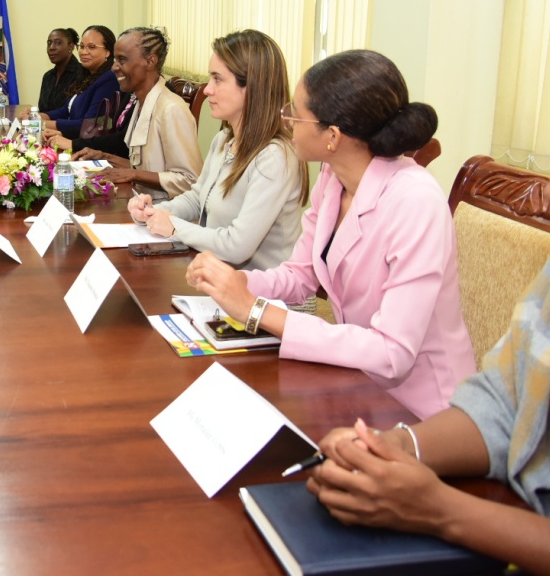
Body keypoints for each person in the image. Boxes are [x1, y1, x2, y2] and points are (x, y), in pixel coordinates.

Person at [307, 97, 550, 576]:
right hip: (512, 519)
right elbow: (504, 404)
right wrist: (393, 447)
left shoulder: (412, 195)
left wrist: (438, 510)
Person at [186, 49, 475, 419]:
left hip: (420, 409)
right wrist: (236, 281)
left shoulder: (415, 202)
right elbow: (300, 274)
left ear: (332, 136)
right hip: (355, 381)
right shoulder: (332, 176)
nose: (286, 119)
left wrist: (254, 310)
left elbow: (392, 354)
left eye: (295, 113)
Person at [128, 30, 306, 270]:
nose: (208, 89)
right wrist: (153, 212)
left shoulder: (274, 157)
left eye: (217, 79)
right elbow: (197, 198)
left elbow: (237, 246)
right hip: (219, 277)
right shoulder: (224, 139)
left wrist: (174, 226)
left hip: (265, 298)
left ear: (251, 86)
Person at [92, 27, 203, 201]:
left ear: (150, 62)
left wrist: (133, 175)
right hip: (140, 204)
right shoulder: (141, 101)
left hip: (166, 215)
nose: (114, 67)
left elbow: (190, 181)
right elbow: (144, 167)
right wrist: (104, 157)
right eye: (115, 59)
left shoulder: (171, 109)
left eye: (122, 60)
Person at [40, 25, 120, 137]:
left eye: (91, 47)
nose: (83, 52)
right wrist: (41, 116)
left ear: (108, 52)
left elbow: (91, 125)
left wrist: (45, 124)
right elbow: (66, 110)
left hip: (88, 148)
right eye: (82, 46)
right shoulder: (86, 75)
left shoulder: (109, 79)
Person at [37, 27, 87, 112]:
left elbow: (74, 112)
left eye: (58, 43)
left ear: (70, 47)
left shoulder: (83, 73)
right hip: (45, 124)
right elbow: (43, 110)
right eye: (49, 43)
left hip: (69, 125)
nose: (51, 47)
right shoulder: (48, 76)